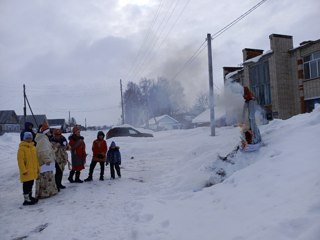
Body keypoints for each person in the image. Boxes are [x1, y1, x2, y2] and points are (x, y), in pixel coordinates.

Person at [34, 121, 58, 199]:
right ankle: (44, 193)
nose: (50, 133)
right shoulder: (43, 140)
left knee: (48, 178)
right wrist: (47, 160)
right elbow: (43, 151)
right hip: (45, 163)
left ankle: (49, 192)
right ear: (45, 132)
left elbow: (48, 150)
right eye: (48, 132)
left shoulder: (44, 139)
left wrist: (54, 149)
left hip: (47, 163)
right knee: (45, 178)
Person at [17, 132, 40, 205]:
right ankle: (26, 200)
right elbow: (20, 161)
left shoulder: (33, 147)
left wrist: (38, 168)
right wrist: (23, 170)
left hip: (33, 171)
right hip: (26, 172)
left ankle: (30, 197)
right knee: (26, 186)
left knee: (31, 184)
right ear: (24, 138)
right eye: (27, 138)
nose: (29, 139)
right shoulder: (21, 148)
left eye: (30, 138)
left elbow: (36, 159)